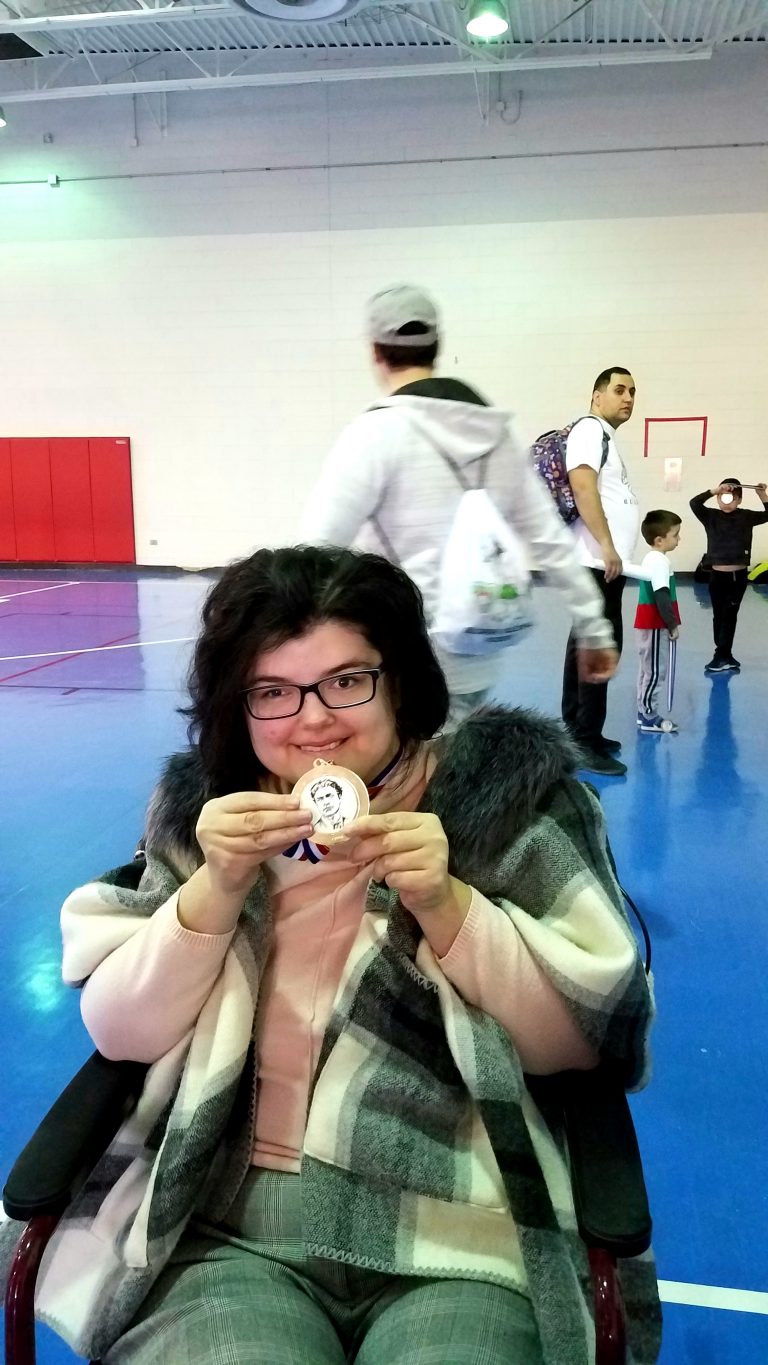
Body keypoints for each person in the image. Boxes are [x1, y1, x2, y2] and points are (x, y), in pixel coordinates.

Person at [8, 547, 659, 1365]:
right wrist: (214, 886)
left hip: (461, 1220)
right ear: (239, 705)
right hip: (224, 1223)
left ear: (401, 682)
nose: (312, 719)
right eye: (273, 691)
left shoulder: (510, 807)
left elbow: (586, 1039)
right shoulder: (207, 818)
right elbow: (120, 1030)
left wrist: (447, 903)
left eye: (347, 680)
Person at [301, 284, 617, 729]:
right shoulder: (497, 434)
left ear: (376, 351)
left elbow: (313, 552)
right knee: (451, 753)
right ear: (437, 345)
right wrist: (594, 628)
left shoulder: (375, 435)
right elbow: (549, 540)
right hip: (479, 650)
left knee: (408, 764)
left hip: (400, 657)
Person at [562, 367, 640, 777]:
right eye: (619, 390)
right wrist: (608, 545)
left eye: (632, 392)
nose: (628, 398)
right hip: (596, 561)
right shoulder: (590, 430)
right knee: (599, 648)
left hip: (599, 563)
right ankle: (585, 741)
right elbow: (582, 485)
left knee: (586, 645)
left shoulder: (604, 436)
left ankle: (579, 732)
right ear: (597, 396)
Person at [689, 478, 768, 672]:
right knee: (718, 615)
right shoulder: (710, 516)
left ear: (739, 500)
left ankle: (721, 655)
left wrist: (762, 495)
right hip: (716, 577)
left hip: (736, 577)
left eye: (731, 498)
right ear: (718, 498)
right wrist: (714, 490)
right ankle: (725, 654)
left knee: (729, 615)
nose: (726, 502)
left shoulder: (746, 516)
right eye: (722, 498)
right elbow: (694, 503)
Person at [633, 510, 682, 734]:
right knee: (654, 670)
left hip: (650, 623)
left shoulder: (651, 558)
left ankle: (643, 711)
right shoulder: (659, 562)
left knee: (647, 669)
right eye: (675, 535)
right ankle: (649, 715)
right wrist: (671, 624)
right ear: (660, 540)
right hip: (654, 624)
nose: (679, 539)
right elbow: (662, 594)